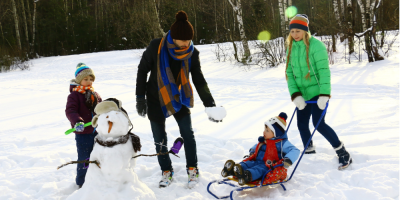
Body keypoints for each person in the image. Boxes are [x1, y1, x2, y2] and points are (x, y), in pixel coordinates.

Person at [135, 11, 226, 188]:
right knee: (159, 138)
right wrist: (140, 98)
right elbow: (142, 70)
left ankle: (193, 168)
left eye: (189, 40)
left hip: (178, 97)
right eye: (183, 40)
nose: (187, 43)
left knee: (188, 134)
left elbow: (198, 79)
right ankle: (166, 171)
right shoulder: (156, 47)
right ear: (174, 38)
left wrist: (210, 105)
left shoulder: (192, 53)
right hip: (155, 97)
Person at [285, 14, 352, 170]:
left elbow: (324, 72)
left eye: (298, 31)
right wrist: (295, 95)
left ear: (305, 31)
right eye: (292, 31)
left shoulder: (317, 46)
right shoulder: (290, 47)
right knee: (301, 124)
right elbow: (289, 73)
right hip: (302, 94)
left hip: (317, 92)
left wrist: (324, 94)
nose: (295, 35)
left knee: (318, 123)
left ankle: (342, 152)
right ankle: (309, 151)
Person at [221, 112, 300, 186]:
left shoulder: (283, 143)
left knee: (259, 170)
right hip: (257, 161)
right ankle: (233, 170)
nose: (264, 132)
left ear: (276, 133)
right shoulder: (265, 140)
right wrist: (252, 150)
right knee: (248, 164)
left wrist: (288, 159)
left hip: (268, 165)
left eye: (267, 130)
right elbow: (257, 145)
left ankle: (247, 176)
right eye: (264, 129)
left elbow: (295, 150)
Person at [66, 63, 102, 188]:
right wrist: (77, 121)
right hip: (83, 133)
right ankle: (82, 182)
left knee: (99, 155)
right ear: (79, 80)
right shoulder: (74, 95)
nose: (89, 82)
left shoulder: (95, 94)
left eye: (91, 79)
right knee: (85, 158)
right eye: (86, 79)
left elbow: (101, 108)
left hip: (97, 131)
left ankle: (98, 178)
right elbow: (70, 111)